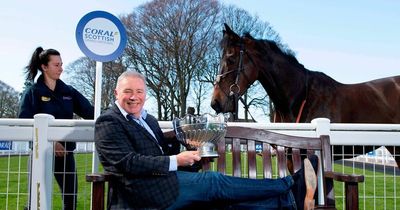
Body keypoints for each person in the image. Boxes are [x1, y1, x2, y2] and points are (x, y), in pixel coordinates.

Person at [94, 70, 318, 210]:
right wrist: (176, 160)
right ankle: (290, 184)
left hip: (163, 183)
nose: (134, 97)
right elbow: (127, 162)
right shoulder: (109, 121)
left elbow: (157, 153)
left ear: (145, 94)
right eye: (128, 92)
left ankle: (291, 202)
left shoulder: (148, 119)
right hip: (143, 196)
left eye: (139, 92)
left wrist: (192, 149)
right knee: (213, 182)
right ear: (116, 93)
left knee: (222, 203)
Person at [18, 47, 94, 210]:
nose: (61, 68)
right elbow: (24, 121)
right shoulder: (32, 92)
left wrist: (113, 112)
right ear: (44, 67)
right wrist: (51, 143)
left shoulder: (69, 92)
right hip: (40, 153)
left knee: (70, 198)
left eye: (61, 64)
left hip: (65, 154)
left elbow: (90, 112)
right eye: (56, 65)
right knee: (35, 199)